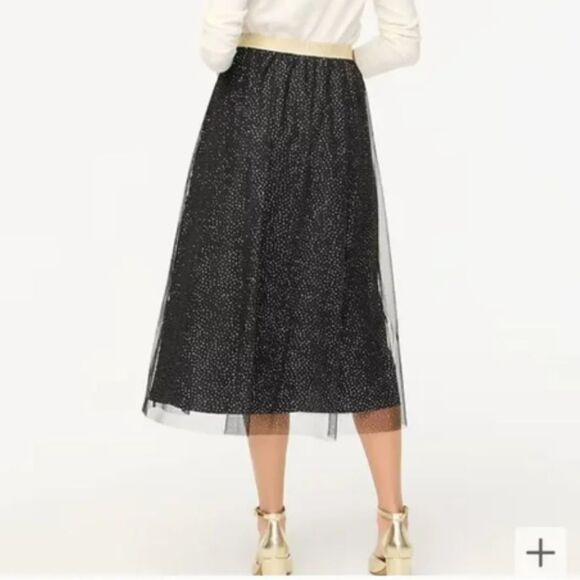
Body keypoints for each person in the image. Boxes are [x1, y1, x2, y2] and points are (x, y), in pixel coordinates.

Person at [140, 0, 421, 574]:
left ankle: (272, 532)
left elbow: (216, 51)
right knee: (354, 315)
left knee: (261, 313)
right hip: (336, 108)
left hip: (254, 108)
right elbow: (403, 42)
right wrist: (336, 62)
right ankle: (393, 524)